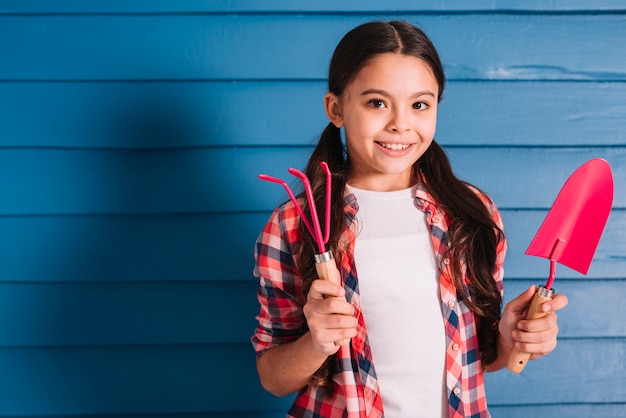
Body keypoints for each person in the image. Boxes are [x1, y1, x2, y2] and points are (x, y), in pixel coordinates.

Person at [251, 20, 568, 418]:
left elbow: (481, 359)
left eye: (420, 104)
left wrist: (511, 337)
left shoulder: (471, 213)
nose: (401, 123)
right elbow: (272, 378)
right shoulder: (294, 225)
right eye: (377, 103)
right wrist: (317, 342)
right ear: (336, 108)